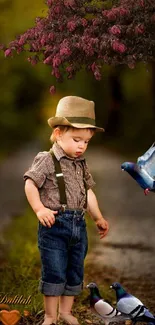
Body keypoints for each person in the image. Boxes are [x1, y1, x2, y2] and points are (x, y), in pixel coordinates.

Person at [24, 96, 109, 325]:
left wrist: (98, 217)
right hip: (54, 225)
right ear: (59, 133)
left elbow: (88, 192)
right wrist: (39, 208)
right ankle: (50, 316)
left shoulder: (81, 164)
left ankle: (66, 312)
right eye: (77, 139)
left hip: (78, 226)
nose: (81, 146)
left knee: (74, 271)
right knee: (54, 270)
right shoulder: (47, 159)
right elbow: (30, 183)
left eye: (86, 142)